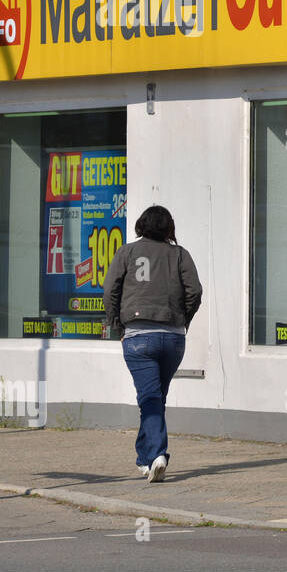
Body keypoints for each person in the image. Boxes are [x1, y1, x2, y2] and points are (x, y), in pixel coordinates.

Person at [104, 206, 202, 483]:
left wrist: (117, 326)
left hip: (138, 337)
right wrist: (183, 320)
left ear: (140, 225)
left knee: (150, 399)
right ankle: (144, 459)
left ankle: (158, 455)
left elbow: (110, 290)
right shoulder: (180, 254)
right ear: (169, 227)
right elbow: (195, 291)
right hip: (173, 338)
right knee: (154, 399)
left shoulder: (126, 252)